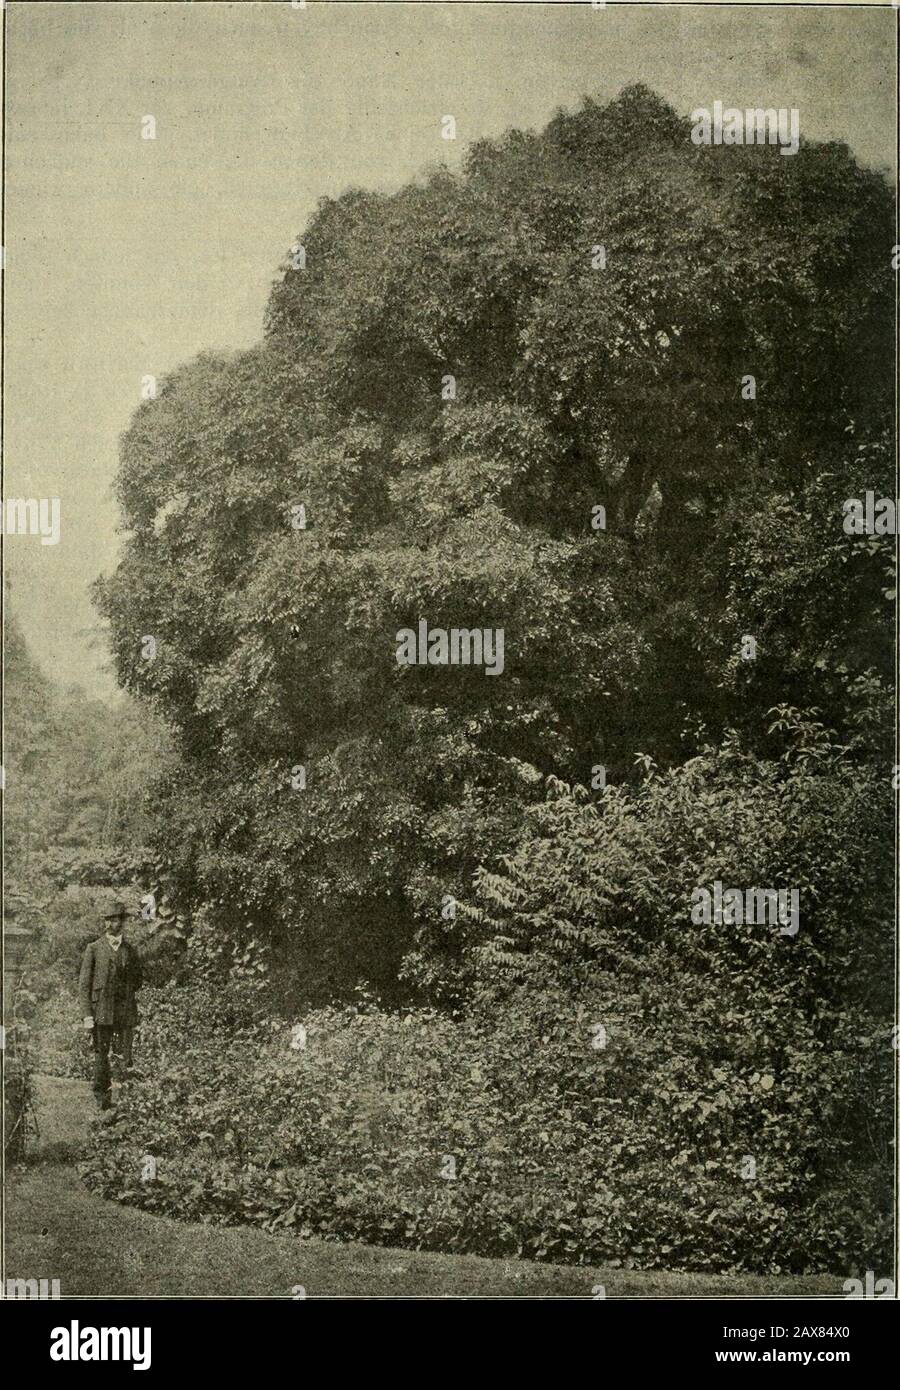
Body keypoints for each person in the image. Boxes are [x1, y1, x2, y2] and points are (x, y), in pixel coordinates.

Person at [78, 902, 143, 1111]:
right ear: (105, 922)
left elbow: (138, 980)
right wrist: (87, 1015)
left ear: (122, 923)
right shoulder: (94, 949)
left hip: (125, 1011)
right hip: (101, 1011)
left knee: (126, 1054)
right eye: (110, 919)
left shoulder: (130, 950)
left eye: (117, 920)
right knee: (101, 1054)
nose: (114, 923)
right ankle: (102, 1098)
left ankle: (125, 1098)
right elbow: (84, 986)